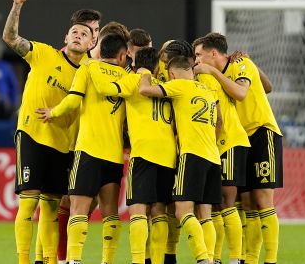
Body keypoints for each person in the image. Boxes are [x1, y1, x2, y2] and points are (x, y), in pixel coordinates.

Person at [2, 0, 93, 264]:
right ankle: (23, 261)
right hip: (32, 134)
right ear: (66, 38)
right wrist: (17, 6)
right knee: (28, 202)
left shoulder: (90, 72)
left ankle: (51, 261)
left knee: (51, 208)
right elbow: (10, 38)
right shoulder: (42, 53)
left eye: (84, 34)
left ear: (92, 43)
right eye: (74, 32)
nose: (78, 35)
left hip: (64, 143)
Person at [36, 33, 129, 264]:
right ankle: (107, 260)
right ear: (122, 55)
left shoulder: (88, 69)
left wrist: (53, 112)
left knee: (78, 208)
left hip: (87, 151)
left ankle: (73, 260)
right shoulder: (128, 77)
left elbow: (73, 100)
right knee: (110, 212)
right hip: (114, 155)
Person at [193, 33, 283, 264]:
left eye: (199, 55)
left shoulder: (239, 63)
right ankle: (249, 260)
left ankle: (270, 260)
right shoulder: (217, 75)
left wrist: (249, 64)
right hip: (240, 139)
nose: (196, 61)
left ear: (213, 53)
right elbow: (268, 86)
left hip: (262, 133)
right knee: (247, 204)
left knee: (263, 201)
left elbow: (243, 93)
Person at [86, 47, 176, 264]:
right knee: (159, 211)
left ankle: (138, 261)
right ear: (157, 66)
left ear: (134, 64)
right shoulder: (165, 86)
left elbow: (105, 88)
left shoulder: (133, 80)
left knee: (138, 211)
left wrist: (92, 64)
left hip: (143, 152)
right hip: (169, 154)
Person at [139, 56, 222, 264]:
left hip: (192, 156)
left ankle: (203, 259)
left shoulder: (179, 85)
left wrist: (145, 73)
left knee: (182, 211)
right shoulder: (206, 91)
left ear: (173, 73)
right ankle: (210, 257)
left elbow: (145, 91)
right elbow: (219, 121)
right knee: (205, 214)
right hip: (213, 157)